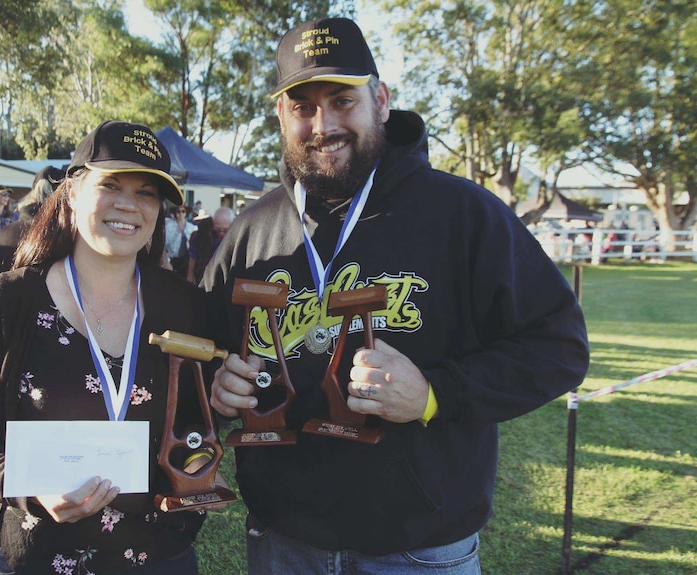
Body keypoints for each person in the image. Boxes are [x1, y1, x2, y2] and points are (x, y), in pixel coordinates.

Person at [204, 17, 590, 575]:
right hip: (283, 541)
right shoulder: (253, 228)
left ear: (380, 101)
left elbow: (559, 347)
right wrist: (219, 382)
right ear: (281, 116)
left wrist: (434, 393)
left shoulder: (463, 214)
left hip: (419, 548)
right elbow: (206, 348)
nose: (322, 124)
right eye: (303, 107)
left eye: (342, 101)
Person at [0, 121, 218, 575]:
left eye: (146, 193)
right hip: (38, 558)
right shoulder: (7, 304)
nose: (128, 204)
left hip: (160, 555)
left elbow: (203, 416)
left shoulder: (183, 307)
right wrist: (27, 487)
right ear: (72, 192)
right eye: (110, 184)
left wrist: (198, 462)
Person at [186, 206, 234, 285]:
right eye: (218, 229)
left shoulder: (237, 235)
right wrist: (190, 274)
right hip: (203, 276)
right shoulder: (202, 234)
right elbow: (193, 254)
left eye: (225, 230)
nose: (221, 233)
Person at [164, 204, 196, 277]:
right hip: (173, 259)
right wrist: (177, 232)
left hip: (186, 260)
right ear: (175, 213)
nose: (181, 214)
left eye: (183, 211)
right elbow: (166, 242)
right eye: (178, 212)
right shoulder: (169, 226)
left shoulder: (192, 228)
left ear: (186, 213)